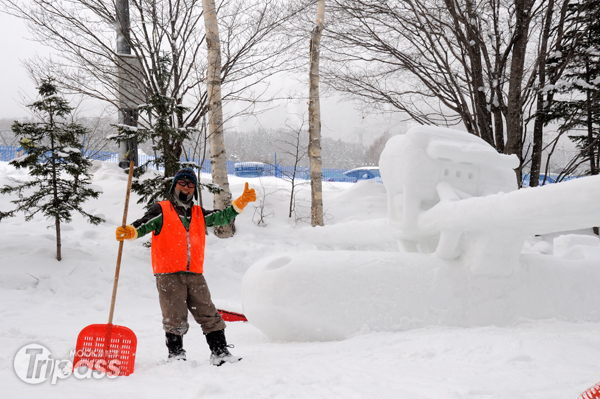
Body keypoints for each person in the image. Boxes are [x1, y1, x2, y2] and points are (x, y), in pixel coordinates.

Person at [115, 168, 256, 366]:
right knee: (174, 316)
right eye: (182, 183)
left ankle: (220, 353)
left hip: (195, 273)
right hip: (168, 273)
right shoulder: (162, 209)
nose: (186, 187)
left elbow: (221, 217)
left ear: (195, 190)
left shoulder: (199, 213)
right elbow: (144, 224)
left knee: (209, 313)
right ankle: (176, 355)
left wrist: (240, 204)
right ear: (174, 186)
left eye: (191, 185)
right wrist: (131, 231)